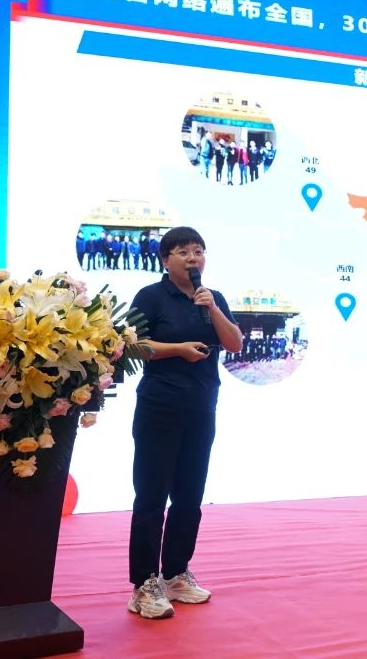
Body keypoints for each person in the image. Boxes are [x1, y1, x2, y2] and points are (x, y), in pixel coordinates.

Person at [126, 226, 244, 620]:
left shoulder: (213, 297)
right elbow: (131, 346)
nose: (193, 258)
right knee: (151, 497)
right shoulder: (150, 296)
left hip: (201, 407)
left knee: (190, 497)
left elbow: (234, 343)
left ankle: (176, 574)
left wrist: (211, 309)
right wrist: (177, 348)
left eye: (198, 251)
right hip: (159, 407)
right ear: (165, 260)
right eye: (183, 252)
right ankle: (144, 584)